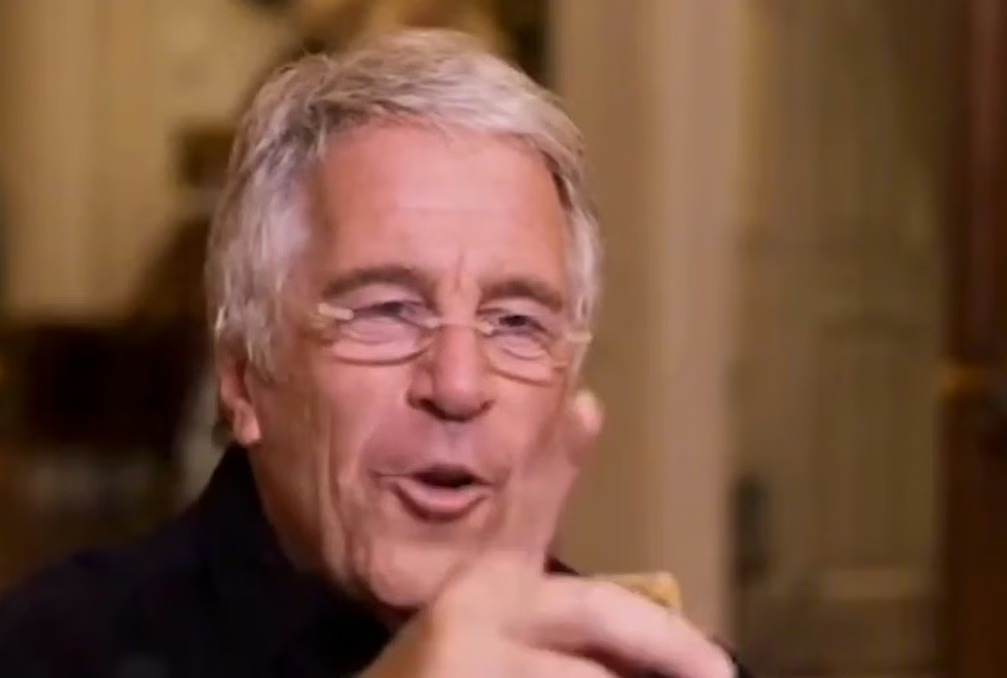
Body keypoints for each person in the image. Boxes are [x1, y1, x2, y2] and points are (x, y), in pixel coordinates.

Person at [0, 30, 750, 677]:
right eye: (387, 312)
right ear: (242, 374)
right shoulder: (48, 650)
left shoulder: (643, 663)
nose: (458, 385)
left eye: (518, 323)